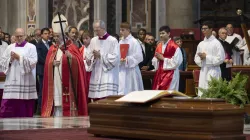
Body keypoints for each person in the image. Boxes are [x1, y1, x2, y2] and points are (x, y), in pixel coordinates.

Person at [41, 15, 88, 117]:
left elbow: (79, 64)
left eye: (58, 36)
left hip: (69, 82)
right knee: (57, 102)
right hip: (56, 80)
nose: (56, 38)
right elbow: (47, 65)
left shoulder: (71, 47)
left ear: (64, 35)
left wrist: (71, 57)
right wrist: (52, 64)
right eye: (55, 36)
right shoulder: (52, 48)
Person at [0, 28, 37, 118]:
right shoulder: (9, 47)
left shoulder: (31, 47)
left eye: (21, 36)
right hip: (12, 79)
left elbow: (33, 61)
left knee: (25, 102)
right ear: (14, 36)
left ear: (25, 36)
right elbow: (2, 61)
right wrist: (10, 59)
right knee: (8, 102)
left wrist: (19, 58)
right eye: (17, 36)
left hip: (26, 79)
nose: (19, 38)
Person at [86, 20, 120, 101]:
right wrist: (90, 59)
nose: (96, 32)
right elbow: (89, 55)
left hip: (108, 74)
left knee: (107, 98)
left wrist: (100, 56)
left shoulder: (113, 40)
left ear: (103, 28)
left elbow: (116, 57)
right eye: (94, 30)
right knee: (96, 98)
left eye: (97, 30)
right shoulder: (93, 40)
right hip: (97, 72)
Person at [194, 21, 225, 97]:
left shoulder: (216, 43)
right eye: (202, 29)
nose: (203, 30)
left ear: (211, 29)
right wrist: (200, 59)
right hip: (204, 69)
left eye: (205, 28)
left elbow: (221, 58)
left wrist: (206, 57)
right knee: (202, 91)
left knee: (211, 92)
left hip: (213, 70)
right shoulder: (201, 44)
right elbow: (196, 58)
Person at [152, 25, 183, 90]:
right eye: (160, 33)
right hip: (160, 73)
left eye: (163, 33)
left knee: (169, 93)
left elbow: (177, 62)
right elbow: (154, 59)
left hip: (171, 73)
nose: (161, 35)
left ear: (168, 34)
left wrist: (163, 59)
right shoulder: (159, 46)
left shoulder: (174, 47)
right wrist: (156, 59)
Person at [118, 22, 144, 95]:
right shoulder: (120, 42)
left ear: (128, 30)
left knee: (132, 91)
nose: (121, 32)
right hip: (122, 70)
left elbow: (139, 57)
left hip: (131, 70)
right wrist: (119, 59)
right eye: (120, 30)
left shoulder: (134, 41)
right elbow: (118, 54)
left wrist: (127, 59)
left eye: (123, 30)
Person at [36, 28, 51, 115]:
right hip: (42, 70)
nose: (47, 35)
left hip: (49, 70)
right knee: (42, 89)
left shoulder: (50, 43)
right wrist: (49, 62)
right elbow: (39, 57)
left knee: (48, 89)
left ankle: (47, 108)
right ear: (41, 35)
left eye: (48, 33)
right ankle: (40, 109)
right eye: (45, 33)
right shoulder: (39, 45)